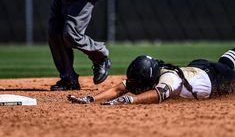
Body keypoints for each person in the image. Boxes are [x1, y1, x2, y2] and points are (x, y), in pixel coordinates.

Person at [67, 48, 235, 105]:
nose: (135, 86)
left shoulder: (169, 78)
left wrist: (130, 100)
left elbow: (159, 94)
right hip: (197, 68)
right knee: (226, 62)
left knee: (228, 68)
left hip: (215, 76)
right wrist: (91, 99)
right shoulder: (152, 74)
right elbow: (120, 88)